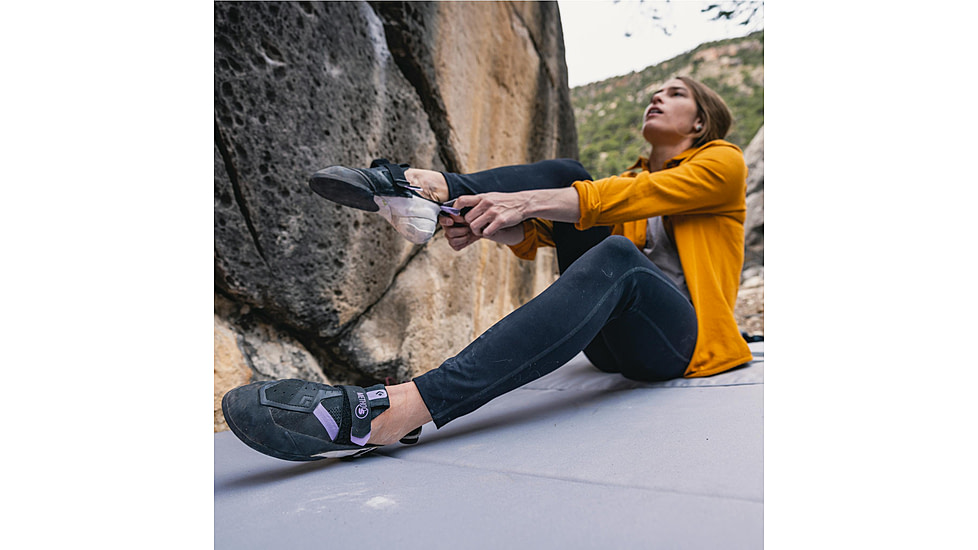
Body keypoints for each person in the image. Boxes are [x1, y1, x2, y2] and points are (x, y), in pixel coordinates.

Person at [222, 76, 754, 461]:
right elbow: (549, 230)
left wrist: (523, 201)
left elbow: (624, 198)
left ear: (701, 120)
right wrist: (485, 222)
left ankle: (399, 409)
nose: (656, 97)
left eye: (675, 93)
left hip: (679, 345)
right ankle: (430, 189)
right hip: (614, 343)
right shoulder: (627, 175)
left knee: (617, 253)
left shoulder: (722, 164)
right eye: (655, 91)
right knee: (570, 174)